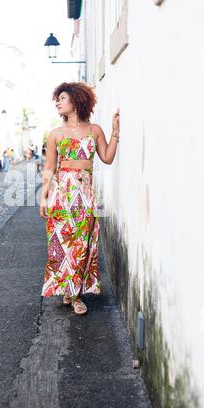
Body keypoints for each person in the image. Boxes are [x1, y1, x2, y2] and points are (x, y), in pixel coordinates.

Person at [39, 82, 120, 316]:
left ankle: (73, 291)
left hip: (85, 195)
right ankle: (73, 295)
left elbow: (107, 157)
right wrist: (44, 198)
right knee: (63, 245)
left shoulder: (94, 130)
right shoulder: (55, 134)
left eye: (62, 98)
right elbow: (49, 168)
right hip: (62, 194)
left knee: (82, 244)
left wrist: (115, 131)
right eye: (57, 99)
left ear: (76, 101)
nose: (58, 102)